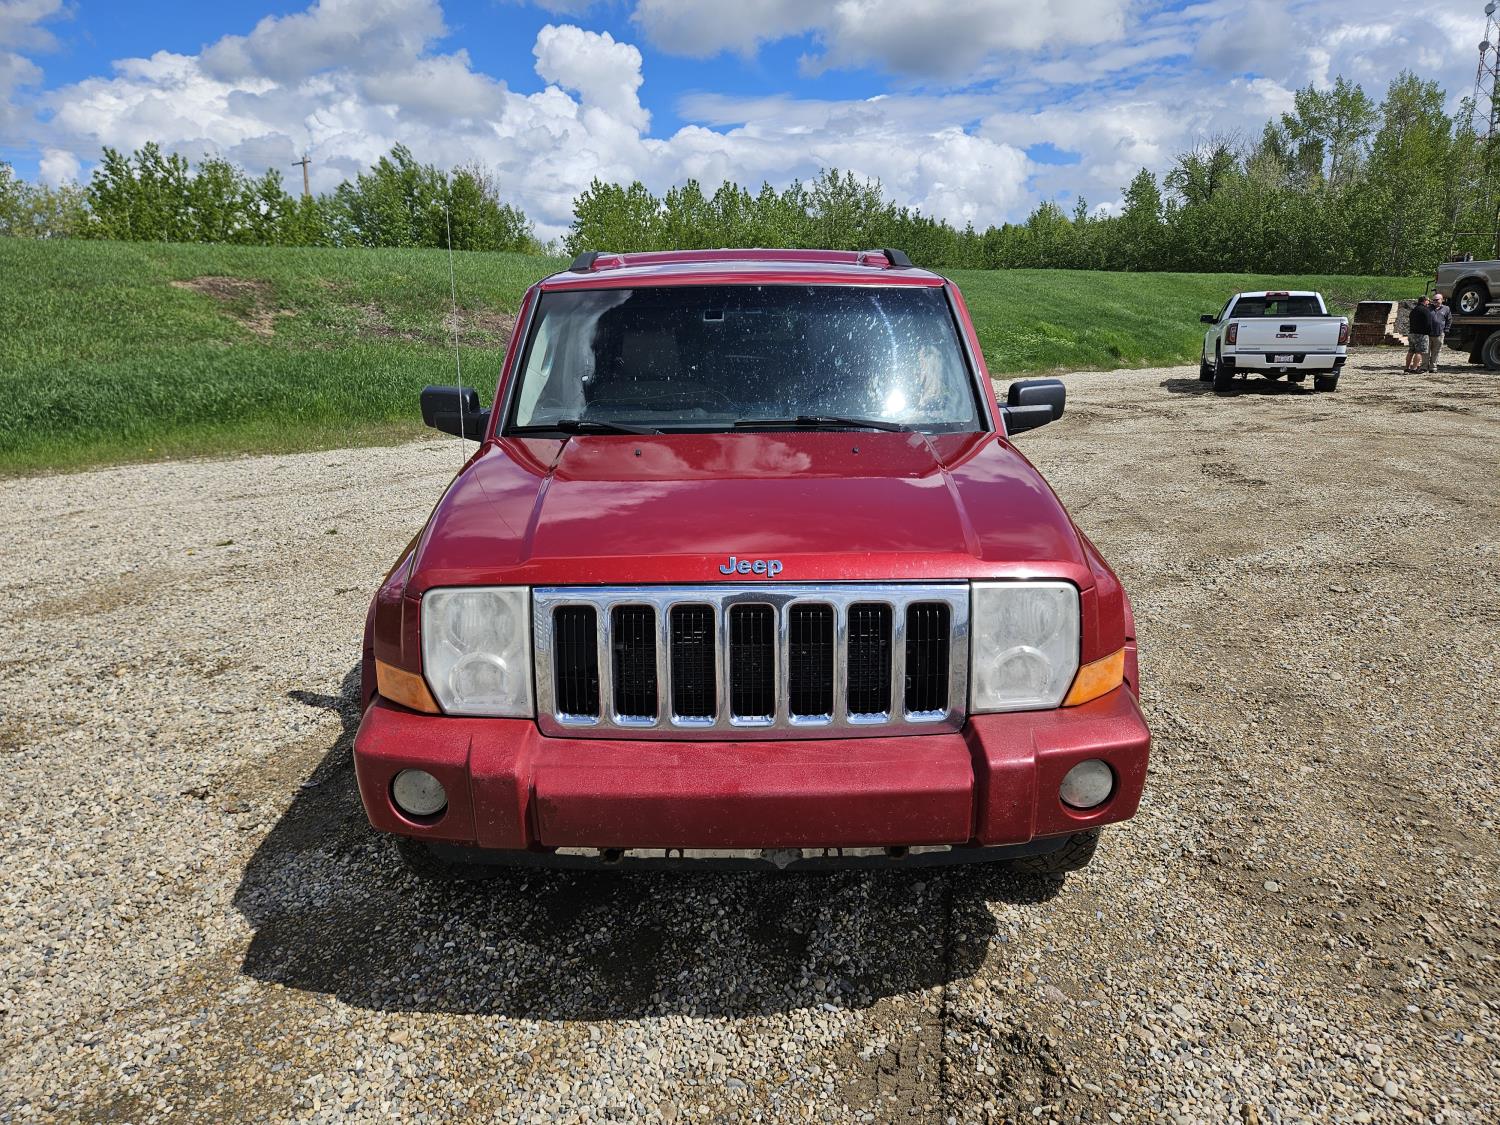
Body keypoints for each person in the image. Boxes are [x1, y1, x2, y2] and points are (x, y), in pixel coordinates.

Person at [1406, 296, 1432, 374]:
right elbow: (1428, 323)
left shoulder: (1414, 310)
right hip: (1421, 334)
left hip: (1412, 333)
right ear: (1424, 301)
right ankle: (1414, 368)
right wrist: (1429, 332)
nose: (1429, 302)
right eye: (1428, 300)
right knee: (1419, 352)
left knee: (1411, 351)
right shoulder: (1425, 310)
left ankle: (1407, 368)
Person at [1426, 292, 1452, 373]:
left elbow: (1449, 320)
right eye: (1433, 300)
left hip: (1439, 334)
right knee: (1426, 352)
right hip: (1428, 334)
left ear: (1442, 300)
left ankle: (1433, 367)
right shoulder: (1428, 308)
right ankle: (1424, 367)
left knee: (1436, 352)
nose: (1435, 301)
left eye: (1437, 300)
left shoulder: (1446, 309)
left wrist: (1446, 329)